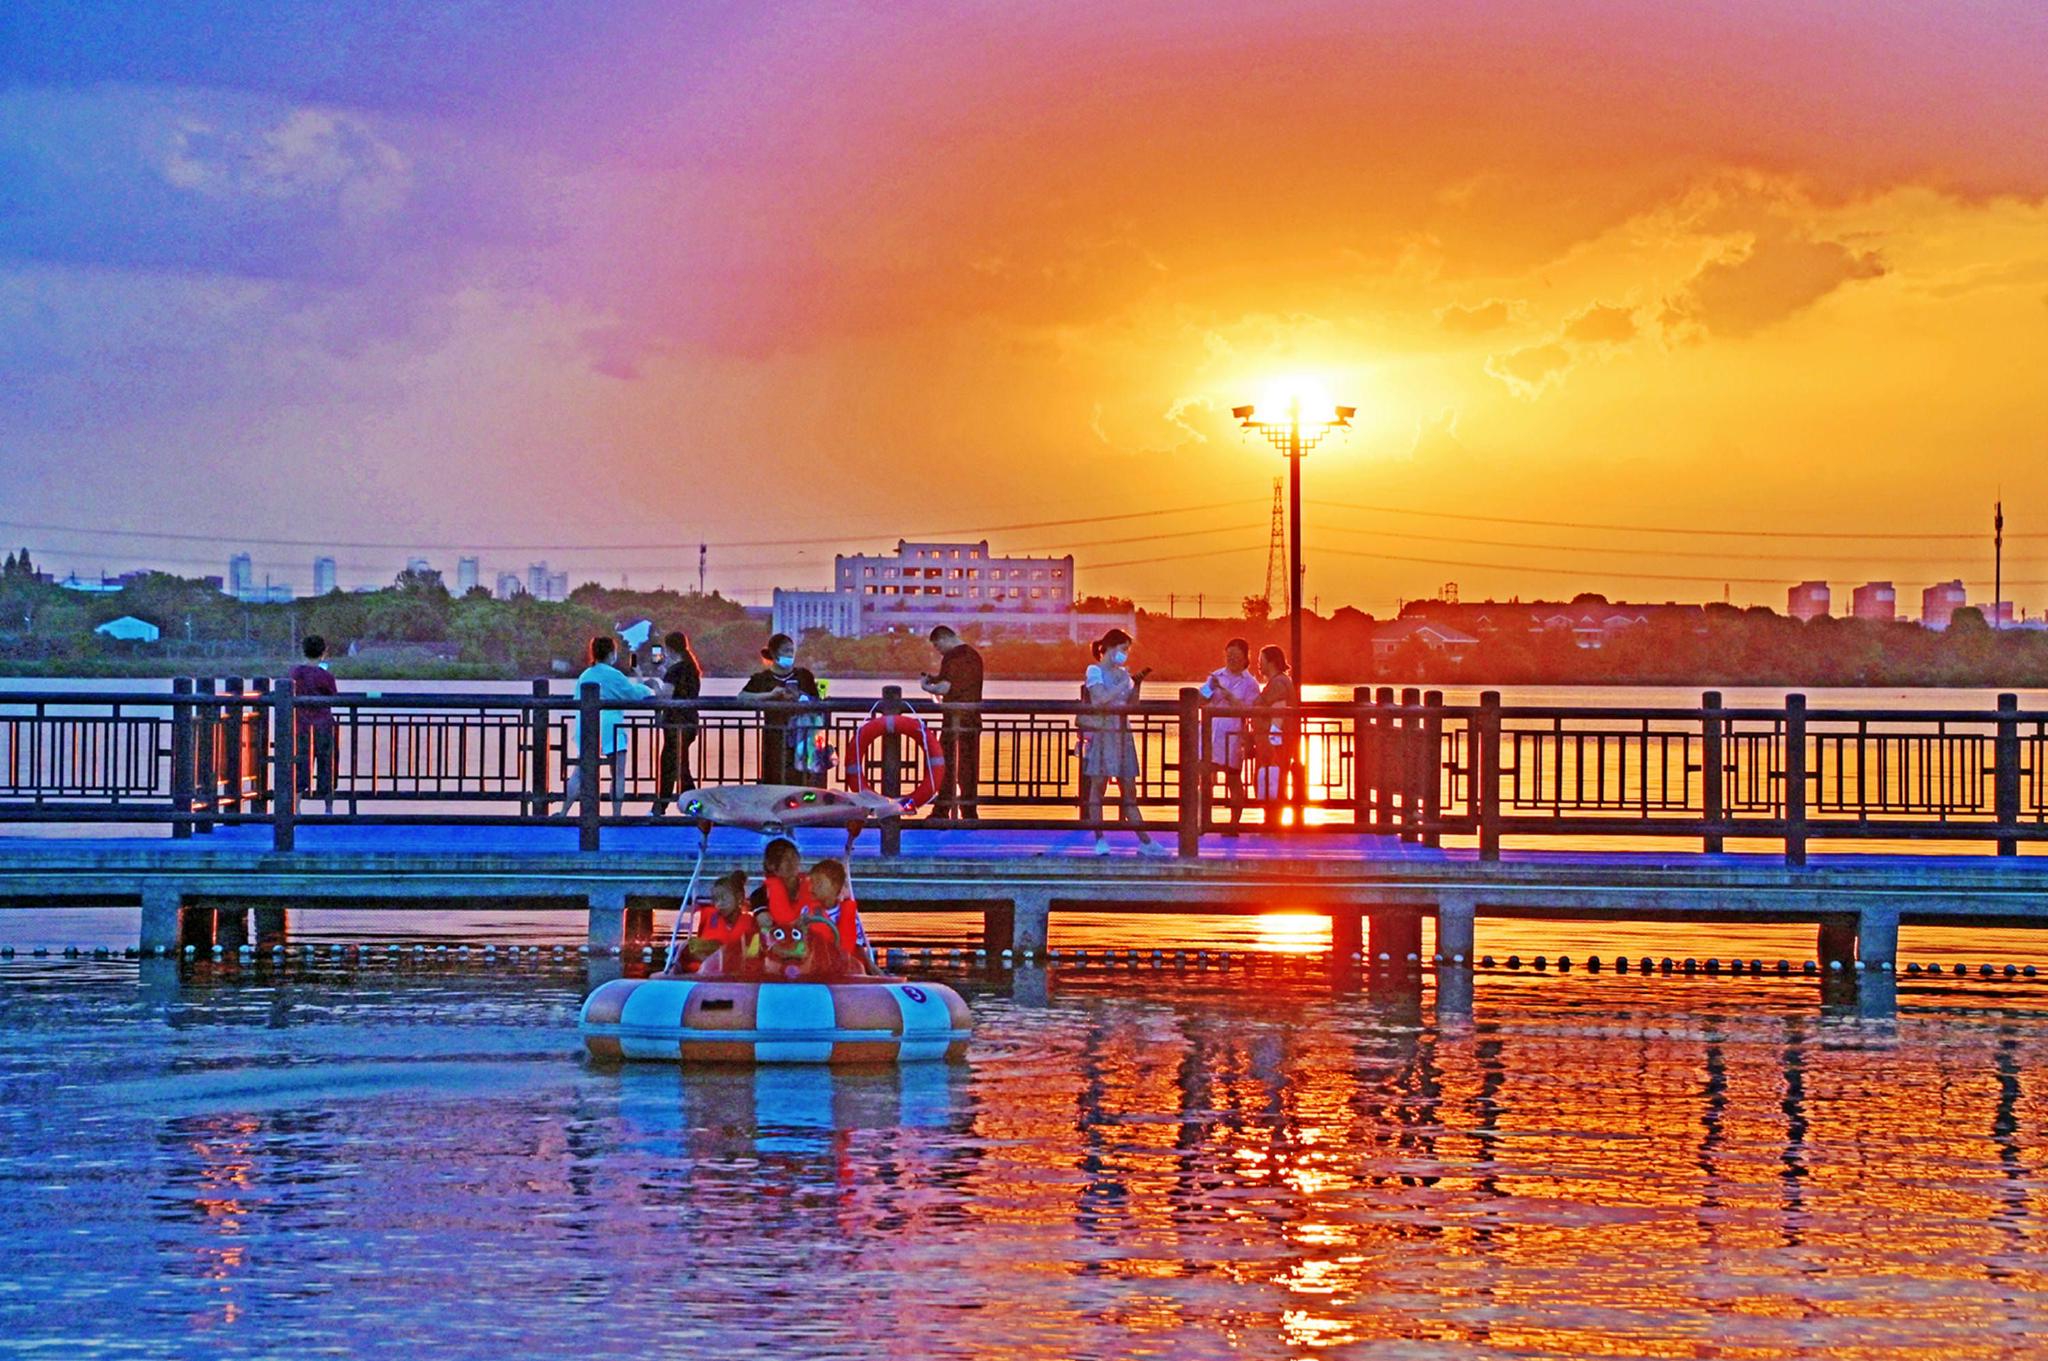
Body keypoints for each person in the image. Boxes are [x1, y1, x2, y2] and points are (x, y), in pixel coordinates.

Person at [1079, 627, 1170, 857]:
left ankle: (1145, 841)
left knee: (1129, 789)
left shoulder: (1123, 674)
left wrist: (1136, 683)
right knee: (1097, 788)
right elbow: (1100, 700)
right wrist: (1123, 684)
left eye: (1127, 650)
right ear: (1109, 647)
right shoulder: (1095, 671)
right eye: (1122, 649)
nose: (1125, 654)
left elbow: (1132, 705)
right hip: (1103, 732)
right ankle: (1100, 839)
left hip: (1123, 733)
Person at [559, 635, 656, 818]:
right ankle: (616, 815)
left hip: (586, 724)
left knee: (579, 772)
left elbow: (576, 699)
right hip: (610, 725)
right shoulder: (613, 674)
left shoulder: (585, 675)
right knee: (617, 773)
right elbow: (633, 694)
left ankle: (564, 811)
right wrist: (644, 682)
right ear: (612, 653)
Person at [740, 634, 825, 786]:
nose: (789, 655)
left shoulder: (804, 676)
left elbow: (816, 702)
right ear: (773, 653)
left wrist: (799, 697)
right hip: (774, 734)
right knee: (774, 773)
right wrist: (770, 695)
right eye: (786, 651)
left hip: (801, 734)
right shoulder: (762, 678)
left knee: (800, 775)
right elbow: (742, 697)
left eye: (792, 651)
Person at [1199, 637, 1263, 835]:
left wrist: (1228, 695)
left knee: (1233, 779)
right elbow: (1199, 700)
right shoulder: (1216, 676)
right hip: (1210, 733)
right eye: (1229, 655)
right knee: (1205, 778)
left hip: (1233, 735)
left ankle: (1233, 824)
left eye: (1236, 655)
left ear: (1246, 658)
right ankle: (1203, 822)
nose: (1232, 658)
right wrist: (1210, 687)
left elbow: (1250, 710)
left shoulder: (1250, 682)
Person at [919, 625, 984, 820]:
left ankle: (941, 811)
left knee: (945, 766)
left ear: (944, 639)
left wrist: (926, 687)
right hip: (972, 719)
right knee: (969, 768)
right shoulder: (974, 656)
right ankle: (969, 812)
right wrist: (935, 679)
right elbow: (957, 682)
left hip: (954, 720)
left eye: (938, 646)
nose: (938, 651)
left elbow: (945, 688)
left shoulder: (952, 657)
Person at [649, 630, 702, 817]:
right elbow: (682, 689)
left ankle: (693, 807)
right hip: (689, 722)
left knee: (675, 766)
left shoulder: (676, 670)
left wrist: (654, 686)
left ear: (669, 649)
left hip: (674, 724)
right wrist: (664, 673)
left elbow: (666, 696)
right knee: (676, 765)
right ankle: (662, 807)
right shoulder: (691, 667)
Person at [667, 870, 757, 976]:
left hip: (734, 970)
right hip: (706, 969)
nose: (719, 904)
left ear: (739, 897)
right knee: (683, 947)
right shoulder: (710, 917)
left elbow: (753, 953)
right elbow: (698, 945)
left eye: (723, 899)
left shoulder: (750, 923)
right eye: (716, 900)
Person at [288, 635, 340, 814]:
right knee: (327, 765)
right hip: (323, 725)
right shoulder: (325, 676)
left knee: (300, 765)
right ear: (323, 653)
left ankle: (296, 808)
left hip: (301, 726)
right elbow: (333, 696)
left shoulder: (295, 673)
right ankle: (328, 808)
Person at [1251, 644, 1299, 830]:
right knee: (1271, 778)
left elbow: (1277, 711)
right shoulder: (1280, 682)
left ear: (1271, 662)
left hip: (1274, 743)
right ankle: (1271, 820)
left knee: (1272, 779)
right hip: (1272, 741)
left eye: (1261, 661)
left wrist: (1273, 738)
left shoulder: (1278, 683)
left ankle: (1273, 822)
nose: (1259, 665)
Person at [807, 858, 874, 975]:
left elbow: (857, 949)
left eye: (818, 883)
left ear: (835, 886)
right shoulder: (806, 913)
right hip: (814, 969)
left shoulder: (851, 917)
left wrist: (875, 971)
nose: (812, 887)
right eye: (811, 882)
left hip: (844, 969)